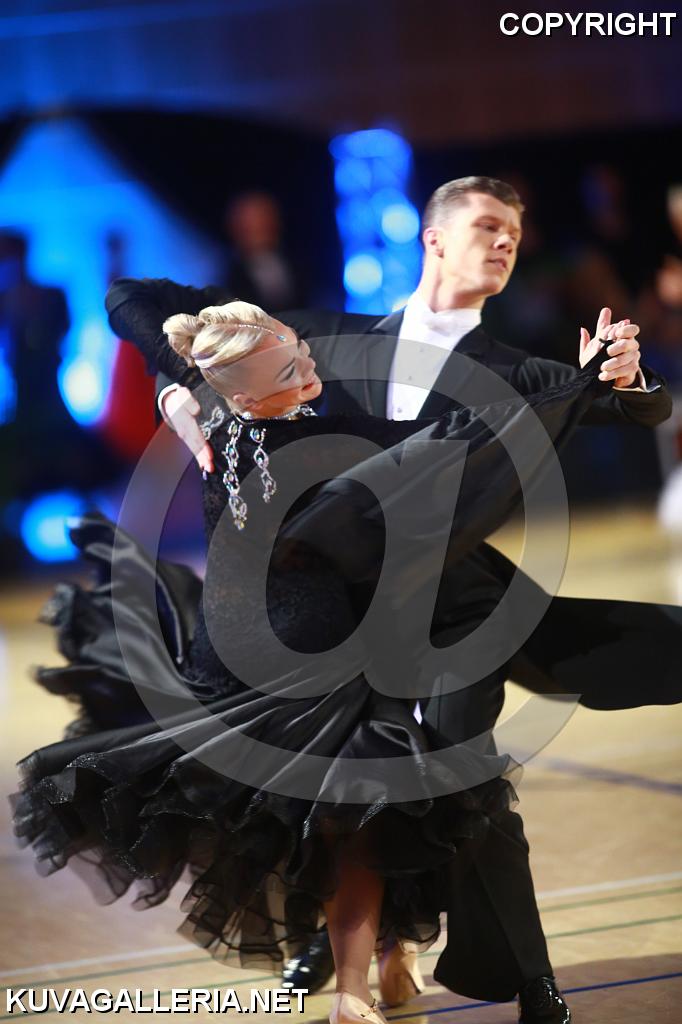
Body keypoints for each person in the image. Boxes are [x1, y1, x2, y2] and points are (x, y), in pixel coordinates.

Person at [103, 177, 675, 1023]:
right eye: (488, 225)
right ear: (433, 238)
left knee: (462, 781)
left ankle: (531, 979)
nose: (506, 241)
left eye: (516, 233)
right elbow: (134, 298)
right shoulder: (324, 337)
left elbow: (642, 408)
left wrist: (626, 377)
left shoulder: (517, 370)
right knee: (329, 796)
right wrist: (175, 385)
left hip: (452, 615)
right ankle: (347, 948)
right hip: (329, 619)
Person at [13, 294, 626, 1024]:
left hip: (325, 660)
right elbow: (129, 300)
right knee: (306, 828)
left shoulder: (309, 423)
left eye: (302, 353)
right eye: (290, 370)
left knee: (359, 819)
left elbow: (459, 435)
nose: (311, 370)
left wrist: (579, 383)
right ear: (240, 394)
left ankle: (357, 988)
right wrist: (173, 389)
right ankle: (384, 954)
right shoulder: (259, 420)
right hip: (242, 666)